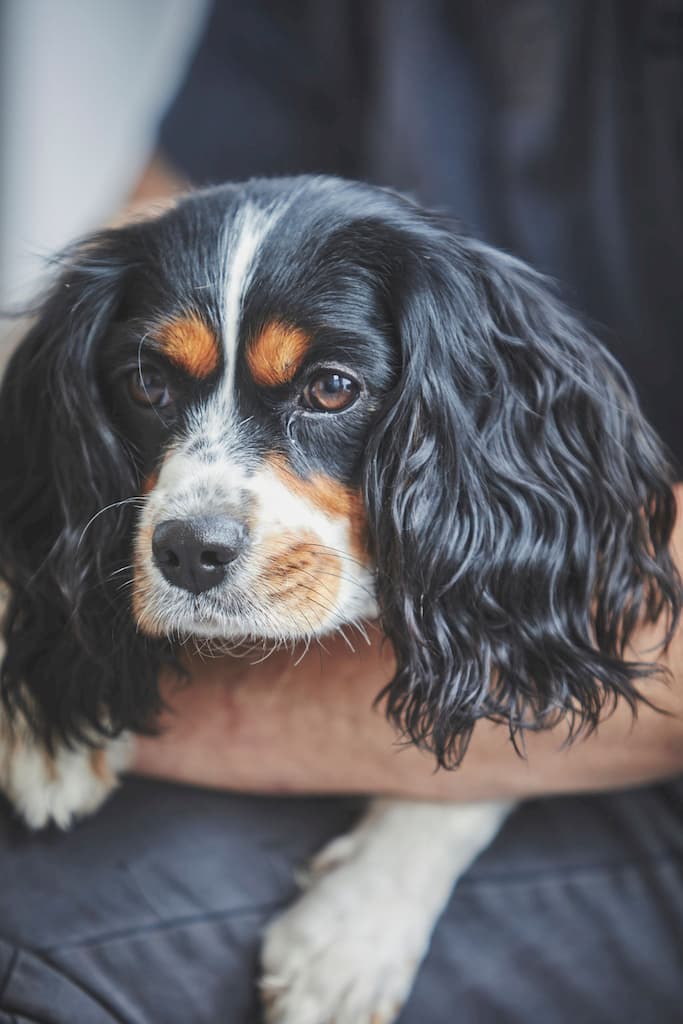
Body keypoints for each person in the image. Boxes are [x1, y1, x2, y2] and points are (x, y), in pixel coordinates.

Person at [1, 3, 682, 1021]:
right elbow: (150, 229)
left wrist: (109, 704)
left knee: (38, 930)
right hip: (373, 679)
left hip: (609, 731)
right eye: (157, 389)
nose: (201, 505)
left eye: (324, 394)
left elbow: (570, 632)